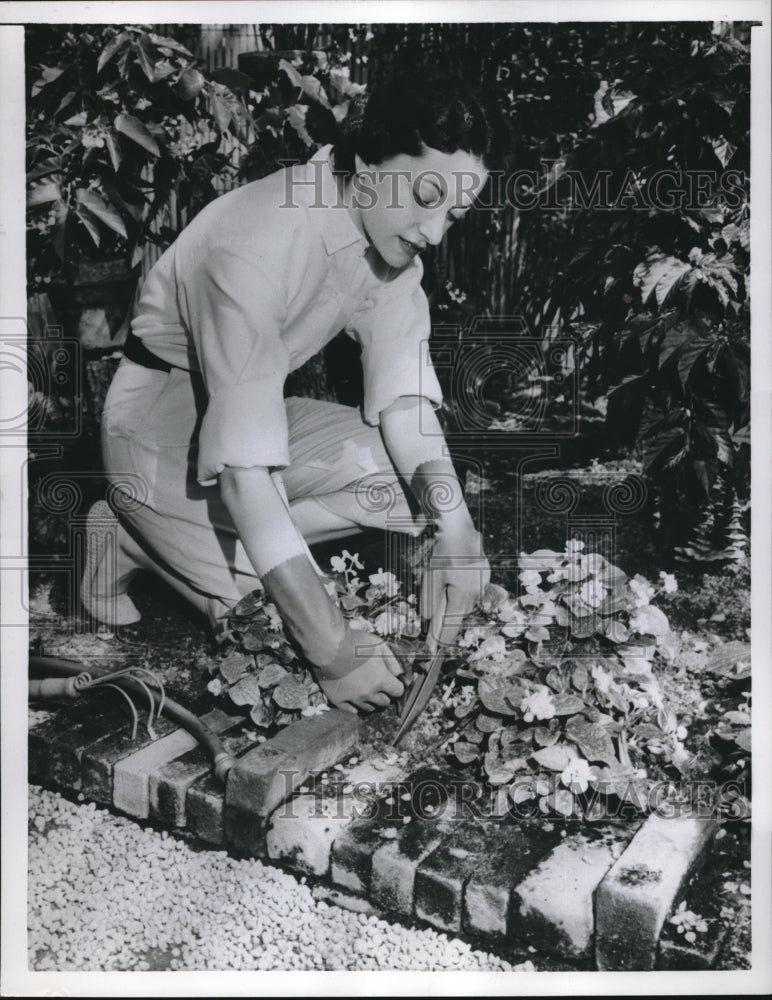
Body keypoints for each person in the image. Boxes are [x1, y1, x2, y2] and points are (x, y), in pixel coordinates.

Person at [81, 73, 504, 714]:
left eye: (455, 214)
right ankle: (133, 528)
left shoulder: (392, 246)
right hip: (155, 425)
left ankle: (189, 537)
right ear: (366, 166)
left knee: (418, 494)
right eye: (426, 196)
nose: (437, 231)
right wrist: (332, 650)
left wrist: (461, 536)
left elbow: (406, 405)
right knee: (272, 632)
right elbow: (246, 471)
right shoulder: (255, 237)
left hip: (252, 414)